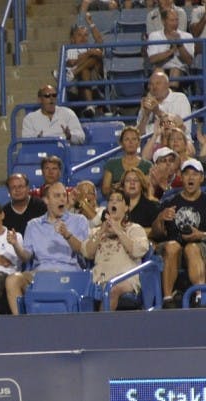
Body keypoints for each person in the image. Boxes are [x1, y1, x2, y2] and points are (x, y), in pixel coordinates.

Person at [5, 183, 90, 315]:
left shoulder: (79, 221)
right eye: (57, 196)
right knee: (12, 280)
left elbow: (84, 251)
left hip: (68, 273)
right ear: (46, 200)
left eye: (64, 195)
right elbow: (26, 256)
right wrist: (16, 245)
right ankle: (21, 326)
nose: (62, 199)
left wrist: (67, 235)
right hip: (40, 275)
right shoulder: (33, 225)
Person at [82, 189, 150, 310]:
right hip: (99, 279)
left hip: (125, 279)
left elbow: (137, 250)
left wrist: (117, 229)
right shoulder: (97, 231)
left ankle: (101, 327)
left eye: (118, 200)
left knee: (112, 289)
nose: (113, 203)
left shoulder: (134, 229)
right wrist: (101, 231)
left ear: (126, 207)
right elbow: (88, 253)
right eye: (111, 200)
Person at [152, 158, 206, 305]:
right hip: (173, 248)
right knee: (172, 246)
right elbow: (155, 234)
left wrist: (200, 235)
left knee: (192, 248)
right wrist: (160, 219)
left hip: (200, 246)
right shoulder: (170, 201)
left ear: (201, 178)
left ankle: (201, 296)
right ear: (181, 178)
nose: (190, 177)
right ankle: (168, 299)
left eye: (195, 174)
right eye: (187, 174)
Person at [61, 16, 104, 117]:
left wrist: (91, 23)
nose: (83, 38)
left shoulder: (90, 47)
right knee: (85, 69)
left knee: (95, 57)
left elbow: (100, 44)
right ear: (73, 38)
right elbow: (71, 63)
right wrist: (88, 53)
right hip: (76, 83)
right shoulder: (69, 49)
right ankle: (90, 106)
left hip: (92, 78)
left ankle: (72, 73)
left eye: (85, 35)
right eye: (79, 35)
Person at [20, 85, 86, 144]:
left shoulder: (67, 113)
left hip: (65, 154)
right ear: (40, 100)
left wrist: (70, 136)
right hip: (41, 154)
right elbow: (26, 143)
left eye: (54, 95)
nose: (51, 98)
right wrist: (37, 140)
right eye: (47, 96)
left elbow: (81, 137)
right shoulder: (30, 119)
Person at [136, 70, 192, 139]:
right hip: (152, 147)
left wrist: (158, 112)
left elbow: (183, 129)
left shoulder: (179, 98)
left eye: (158, 83)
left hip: (176, 145)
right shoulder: (147, 104)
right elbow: (139, 135)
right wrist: (146, 116)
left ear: (167, 85)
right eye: (151, 84)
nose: (154, 87)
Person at [102, 125, 152, 198]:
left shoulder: (147, 165)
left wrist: (119, 187)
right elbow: (105, 190)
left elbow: (147, 189)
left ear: (138, 143)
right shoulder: (111, 163)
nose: (130, 142)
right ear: (121, 143)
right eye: (127, 139)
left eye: (134, 139)